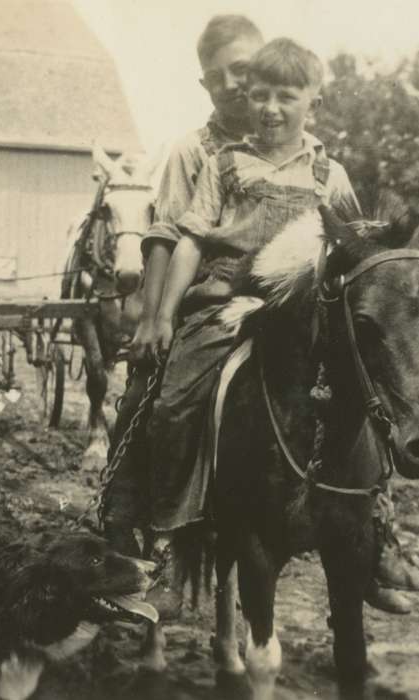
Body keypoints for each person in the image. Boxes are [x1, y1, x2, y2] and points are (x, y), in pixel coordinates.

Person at [149, 37, 419, 615]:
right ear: (245, 102)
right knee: (174, 402)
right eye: (259, 97)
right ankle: (173, 541)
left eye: (286, 97)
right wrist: (166, 314)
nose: (271, 109)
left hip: (302, 309)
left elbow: (354, 251)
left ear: (313, 105)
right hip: (228, 300)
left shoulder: (331, 172)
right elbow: (192, 240)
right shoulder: (225, 166)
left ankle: (377, 538)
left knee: (365, 400)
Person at [99, 14, 264, 618]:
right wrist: (152, 317)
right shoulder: (193, 150)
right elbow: (166, 235)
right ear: (205, 85)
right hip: (209, 300)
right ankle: (136, 521)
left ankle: (373, 530)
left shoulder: (302, 146)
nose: (234, 85)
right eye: (218, 77)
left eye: (244, 69)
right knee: (158, 394)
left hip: (284, 299)